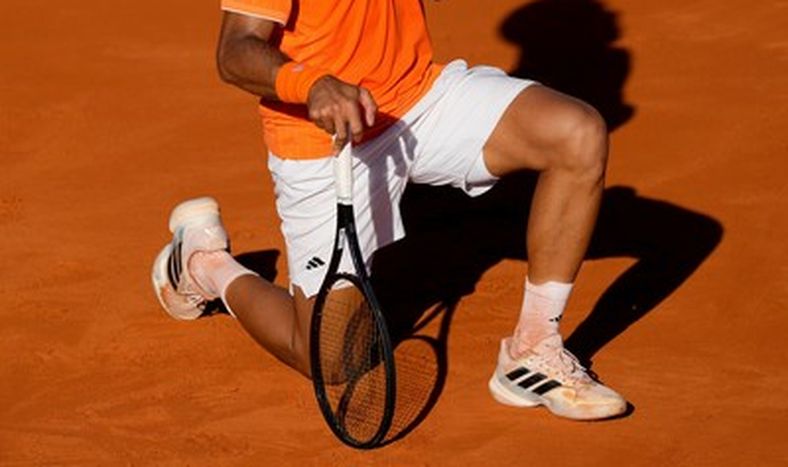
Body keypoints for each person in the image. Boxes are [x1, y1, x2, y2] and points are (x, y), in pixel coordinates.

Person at [151, 0, 626, 421]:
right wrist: (311, 83)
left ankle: (533, 349)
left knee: (576, 133)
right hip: (325, 142)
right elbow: (234, 52)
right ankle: (205, 265)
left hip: (418, 101)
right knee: (330, 359)